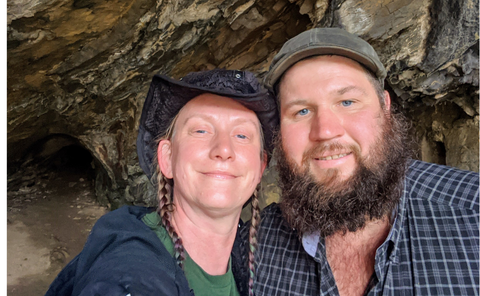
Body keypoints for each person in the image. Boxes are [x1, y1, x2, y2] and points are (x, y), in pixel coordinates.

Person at [240, 27, 479, 295]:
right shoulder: (251, 246)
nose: (325, 131)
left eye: (347, 102)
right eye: (302, 110)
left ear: (385, 108)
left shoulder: (473, 213)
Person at [45, 69, 278, 296]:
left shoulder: (252, 261)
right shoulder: (129, 269)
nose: (223, 149)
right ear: (167, 157)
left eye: (242, 135)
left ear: (260, 167)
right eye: (201, 130)